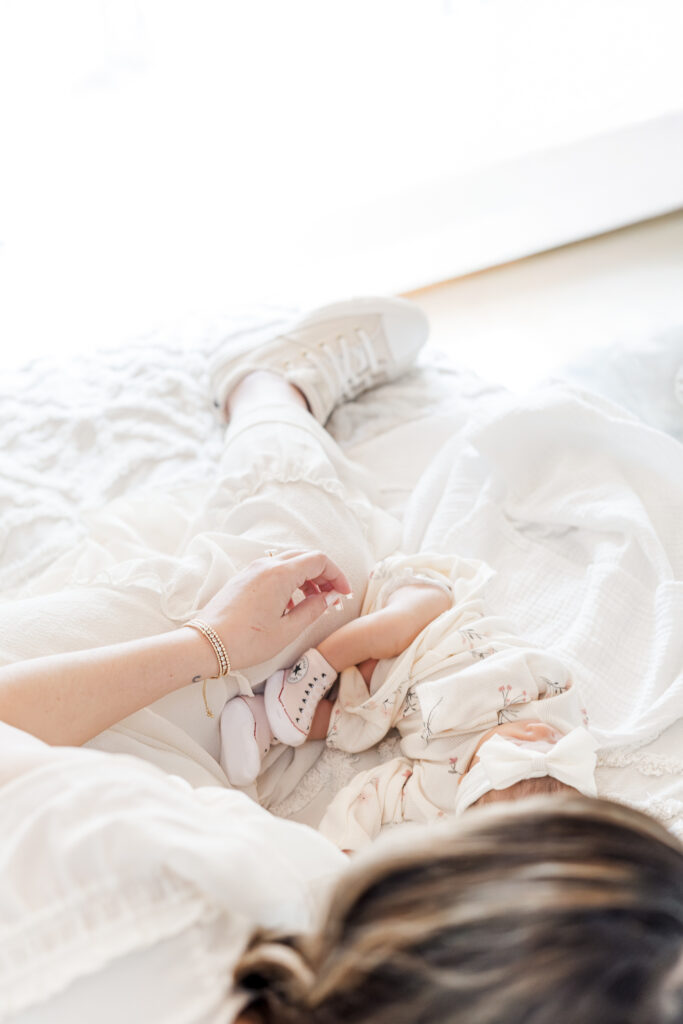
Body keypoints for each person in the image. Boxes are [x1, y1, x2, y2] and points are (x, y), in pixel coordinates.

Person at [1, 298, 682, 1022]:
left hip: (42, 729)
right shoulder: (285, 917)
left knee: (311, 566)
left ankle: (267, 389)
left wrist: (211, 641)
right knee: (315, 603)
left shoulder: (190, 886)